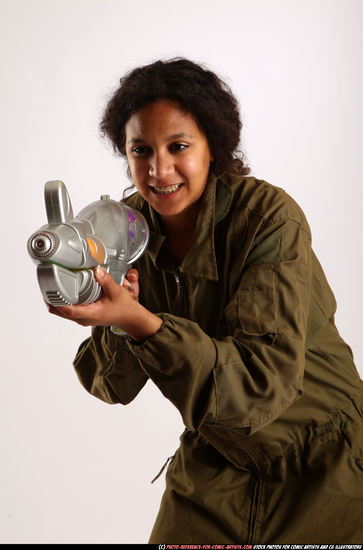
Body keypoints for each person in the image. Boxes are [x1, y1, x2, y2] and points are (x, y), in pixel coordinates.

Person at [47, 58, 363, 544]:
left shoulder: (268, 218)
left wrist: (142, 323)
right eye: (140, 150)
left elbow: (260, 385)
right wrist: (101, 303)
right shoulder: (125, 230)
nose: (159, 170)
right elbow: (111, 387)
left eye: (178, 147)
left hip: (328, 466)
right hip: (218, 460)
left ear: (213, 146)